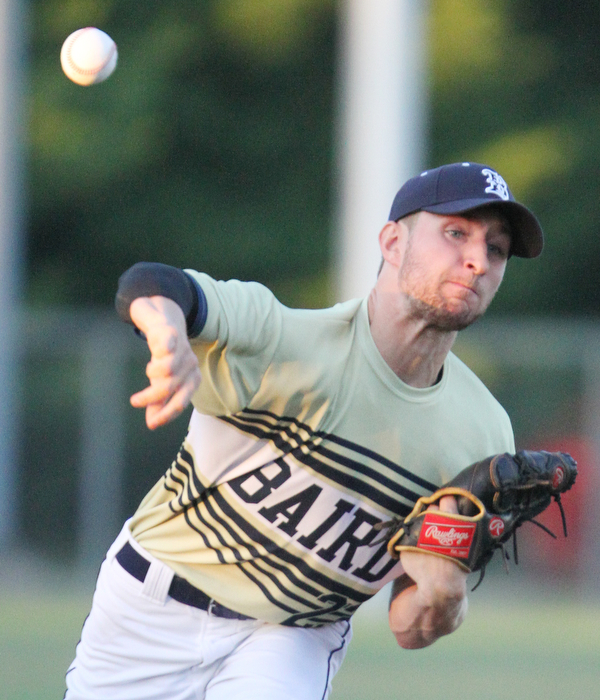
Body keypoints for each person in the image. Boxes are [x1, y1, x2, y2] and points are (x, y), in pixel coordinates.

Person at [64, 162, 544, 699]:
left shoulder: (482, 434)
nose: (478, 260)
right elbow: (154, 283)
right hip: (151, 604)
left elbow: (408, 628)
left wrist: (445, 596)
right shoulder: (285, 341)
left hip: (292, 637)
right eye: (456, 233)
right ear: (392, 242)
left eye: (497, 249)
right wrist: (166, 333)